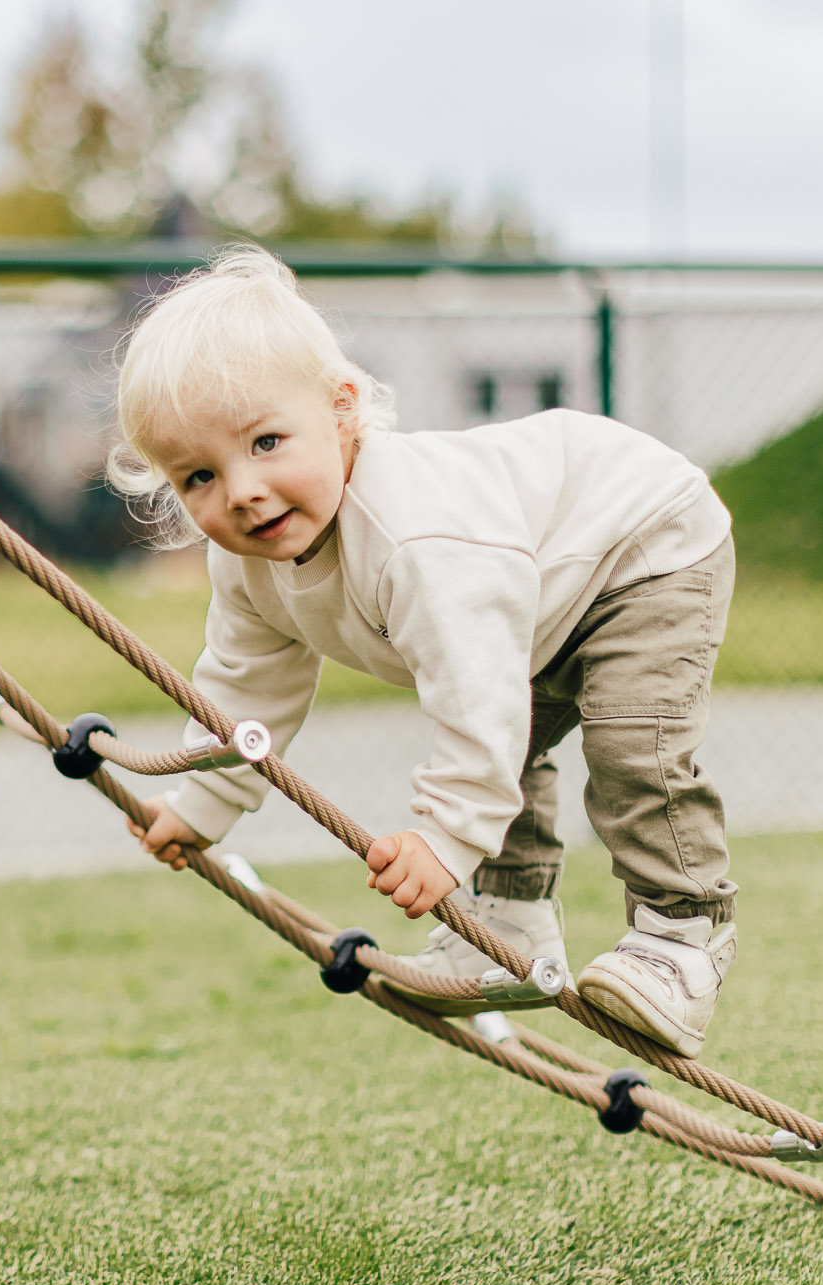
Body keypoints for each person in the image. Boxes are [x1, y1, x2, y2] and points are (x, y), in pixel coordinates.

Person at [107, 246, 738, 1060]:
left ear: (340, 412)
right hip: (540, 589)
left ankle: (681, 939)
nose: (241, 491)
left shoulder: (413, 533)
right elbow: (243, 690)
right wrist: (199, 809)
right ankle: (509, 924)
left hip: (642, 543)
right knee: (510, 740)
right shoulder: (246, 562)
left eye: (266, 442)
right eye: (198, 476)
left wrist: (444, 840)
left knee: (629, 742)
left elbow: (477, 697)